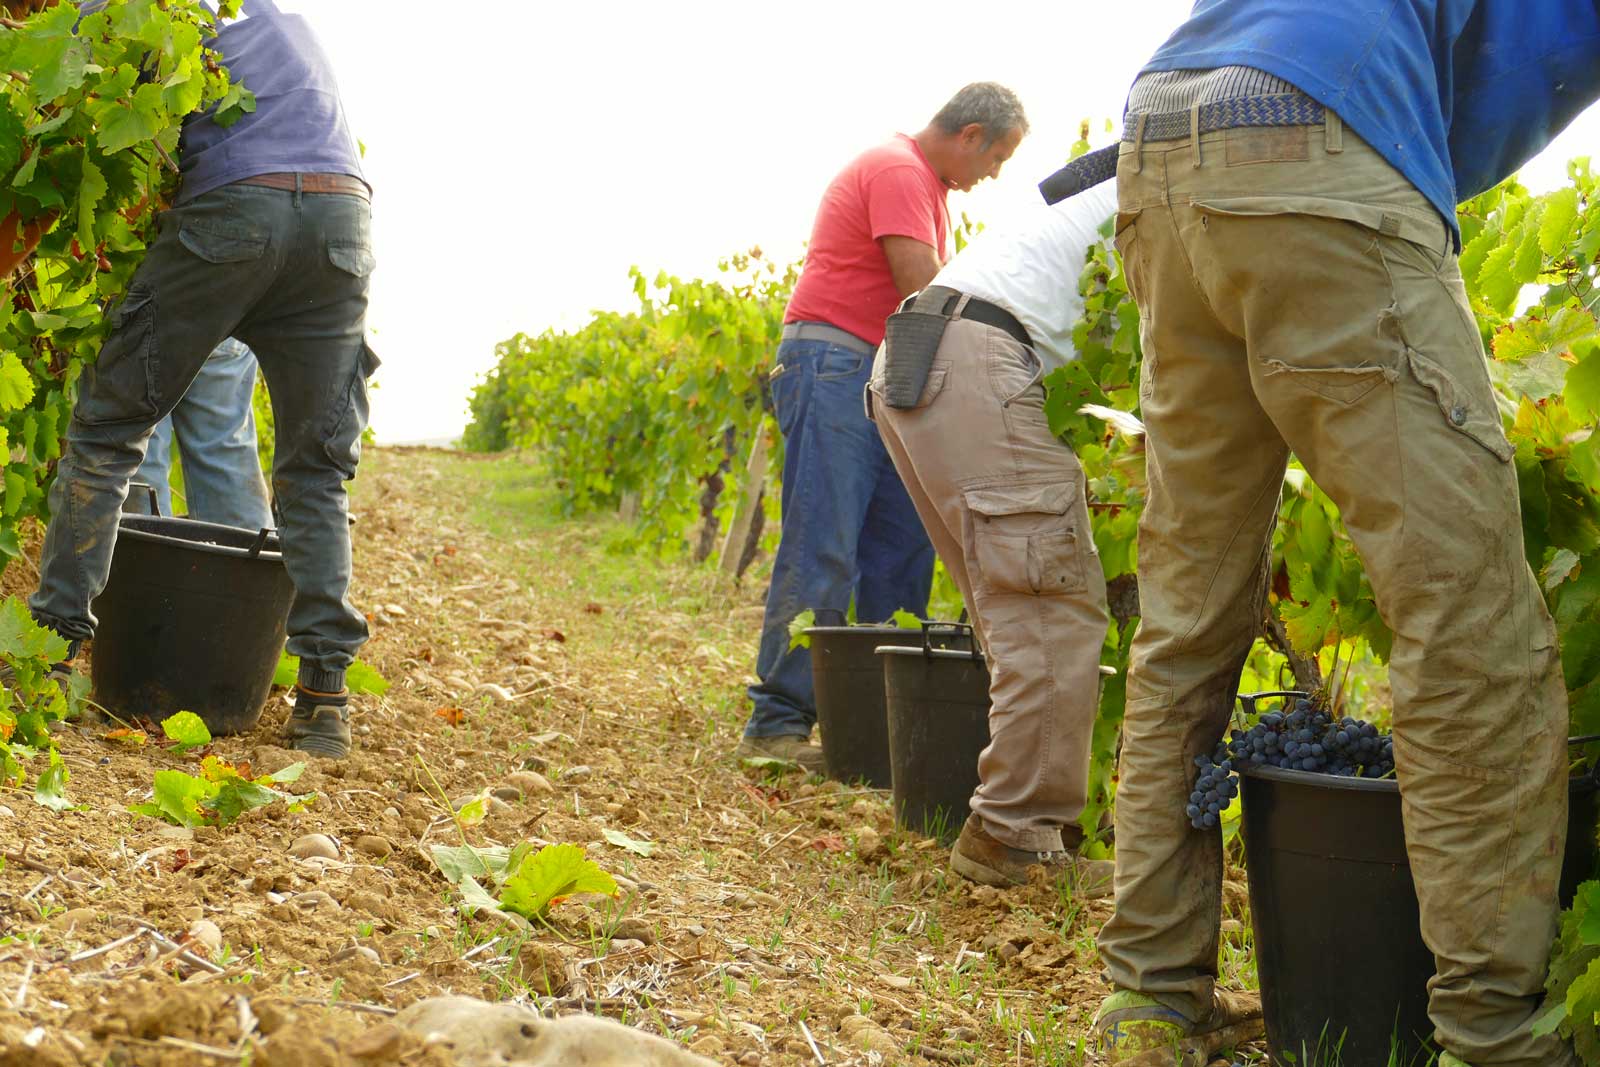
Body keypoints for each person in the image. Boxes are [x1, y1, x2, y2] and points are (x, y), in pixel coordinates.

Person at [1083, 3, 1600, 1066]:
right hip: (1312, 128)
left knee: (1184, 612)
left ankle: (1148, 997)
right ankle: (1493, 1033)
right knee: (1465, 610)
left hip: (1163, 136)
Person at [28, 0, 377, 760]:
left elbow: (64, 131)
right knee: (315, 473)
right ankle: (323, 700)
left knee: (108, 431)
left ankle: (49, 660)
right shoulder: (274, 16)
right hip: (343, 217)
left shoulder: (132, 8)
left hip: (237, 209)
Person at [738, 83, 1029, 773]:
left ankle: (864, 736)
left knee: (902, 551)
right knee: (826, 545)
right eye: (999, 157)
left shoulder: (928, 188)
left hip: (884, 377)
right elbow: (922, 290)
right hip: (836, 362)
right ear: (971, 135)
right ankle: (777, 722)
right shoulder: (900, 170)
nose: (994, 175)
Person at [869, 181, 1119, 894]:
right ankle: (1011, 834)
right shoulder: (1175, 180)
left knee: (1011, 611)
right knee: (1049, 609)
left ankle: (1027, 825)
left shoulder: (1107, 183)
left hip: (919, 354)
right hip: (974, 358)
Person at [127, 337, 273, 530]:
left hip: (144, 321)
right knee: (224, 454)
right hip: (223, 320)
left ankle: (148, 557)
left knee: (138, 451)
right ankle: (244, 557)